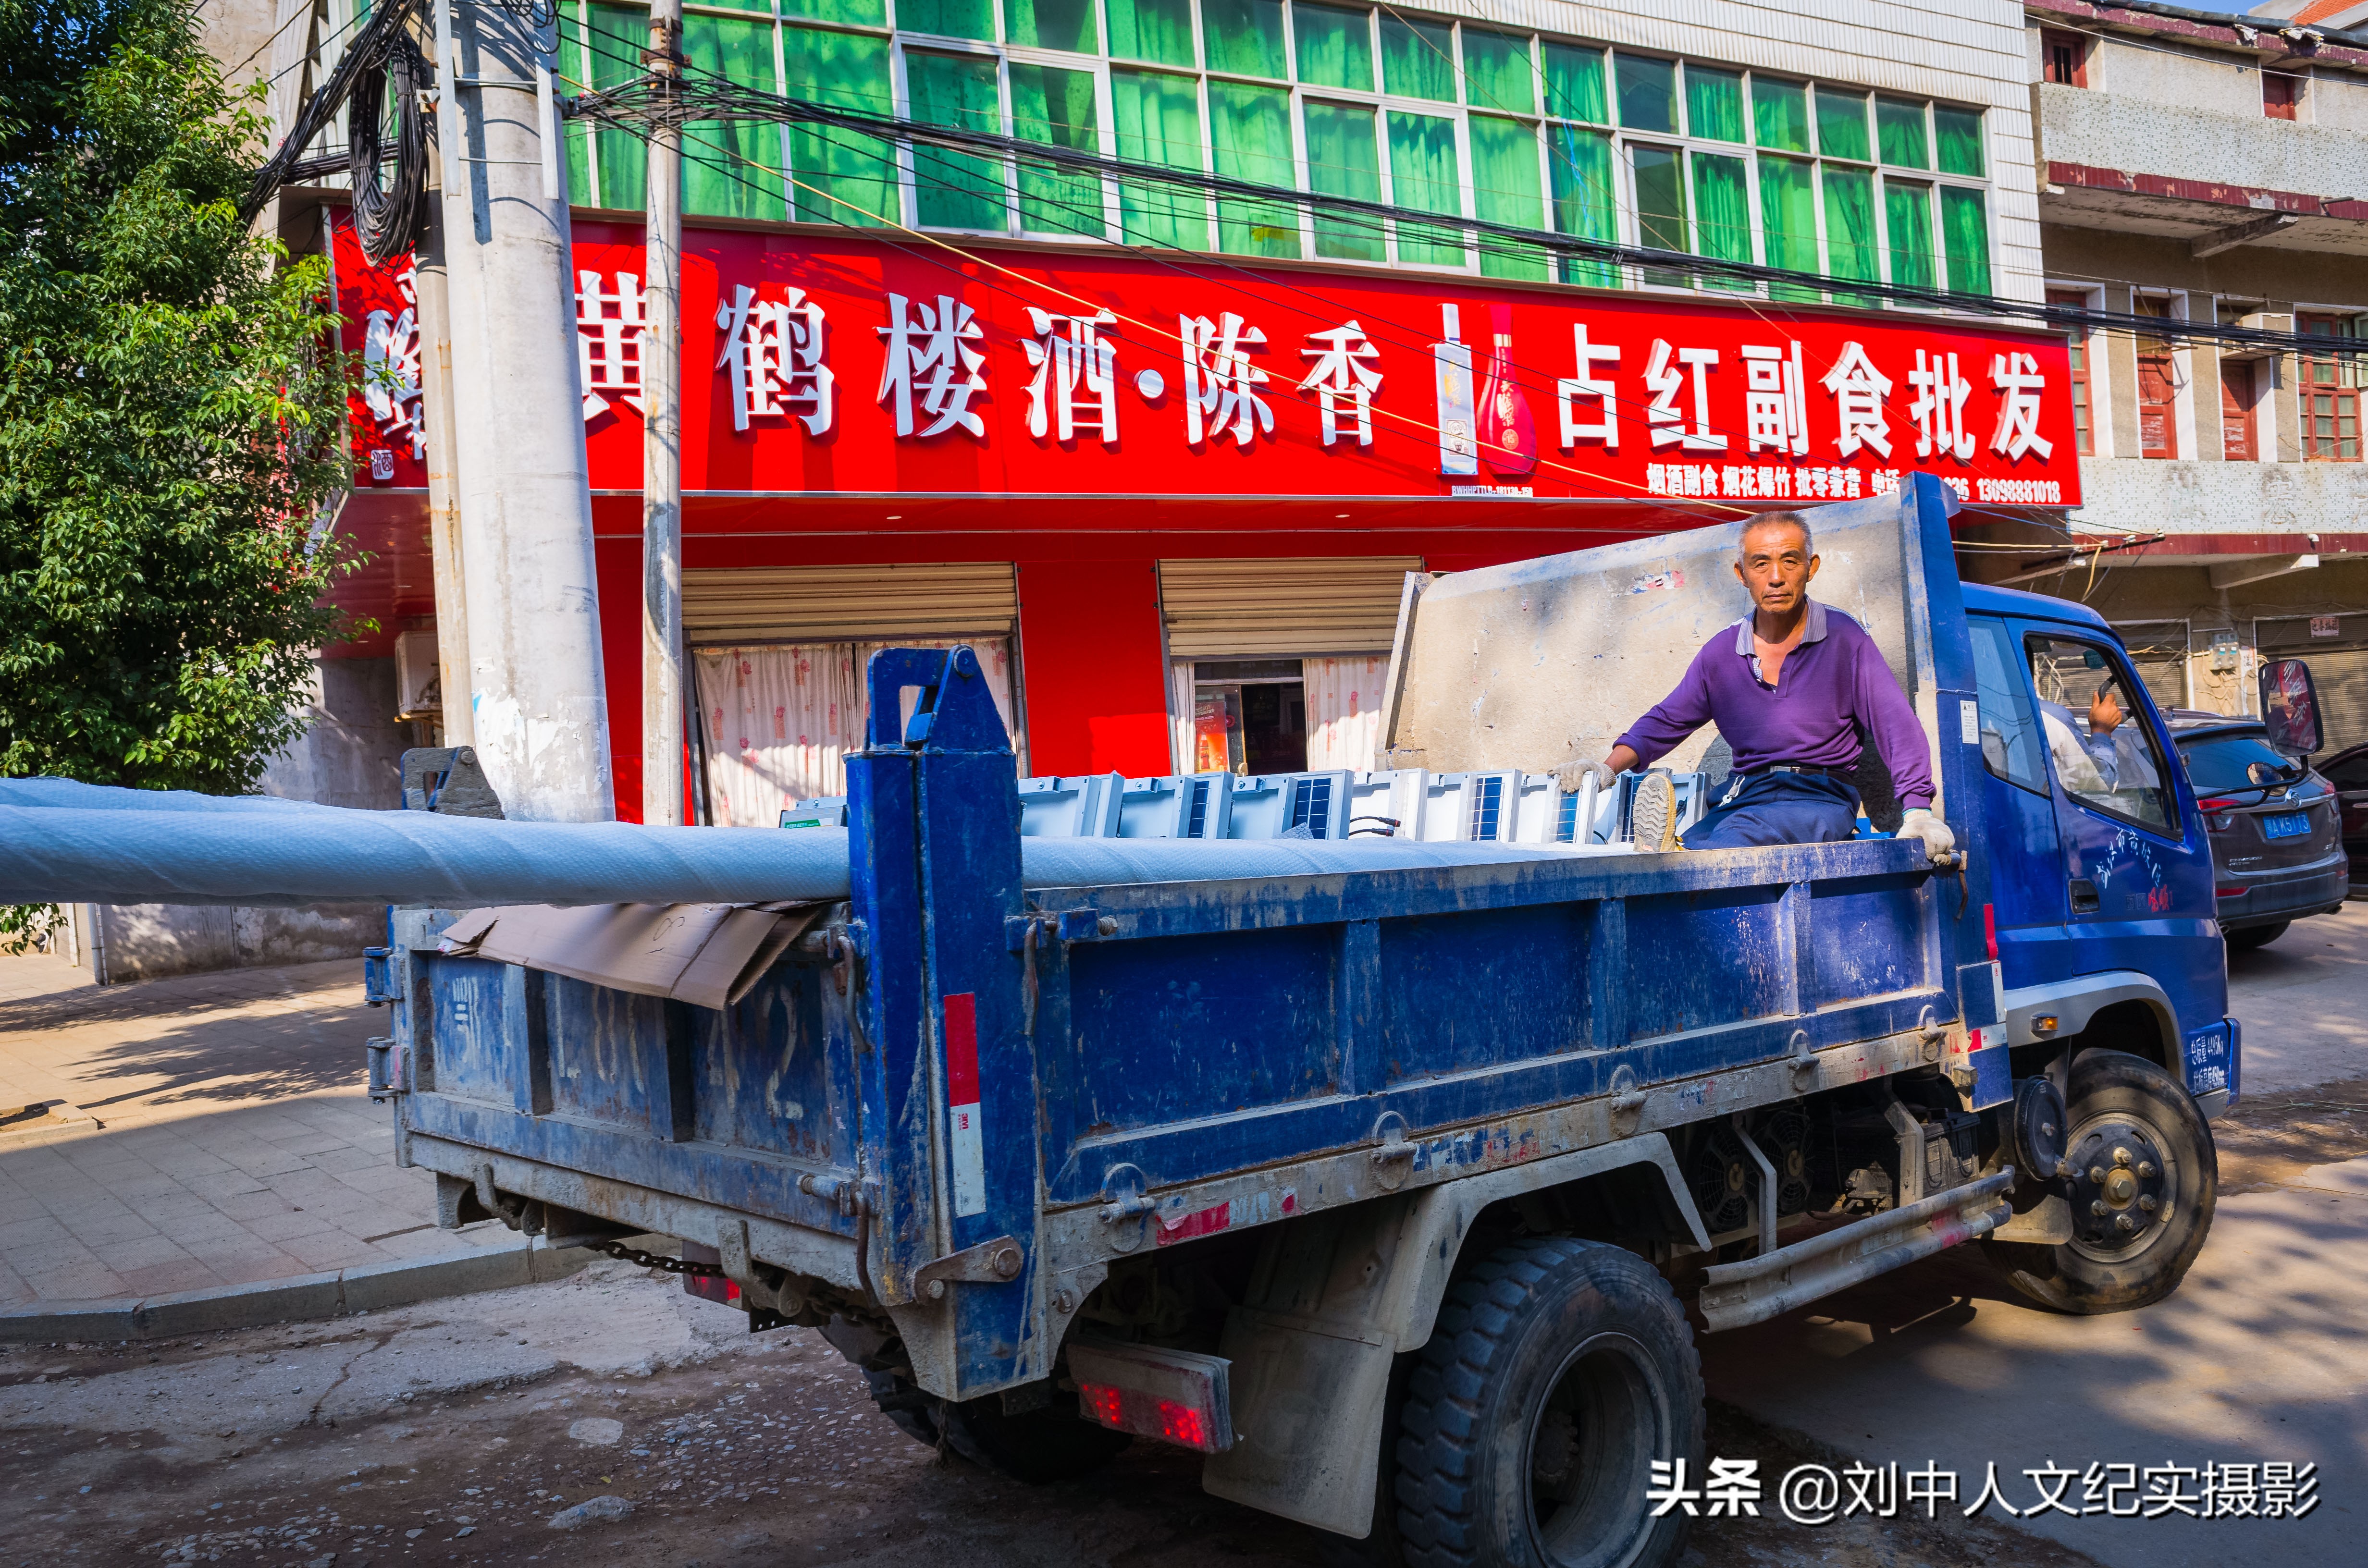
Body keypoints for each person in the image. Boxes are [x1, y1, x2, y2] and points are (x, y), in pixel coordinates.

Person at [1586, 512, 1955, 858]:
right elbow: (1667, 720)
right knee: (1698, 842)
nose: (1776, 577)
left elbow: (1896, 726)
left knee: (1739, 837)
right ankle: (1676, 853)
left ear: (1811, 569)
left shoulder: (1845, 639)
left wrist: (1918, 810)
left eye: (1790, 561)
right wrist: (1606, 769)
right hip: (1744, 794)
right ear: (1742, 574)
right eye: (1761, 563)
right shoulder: (1721, 653)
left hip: (1820, 798)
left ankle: (1682, 855)